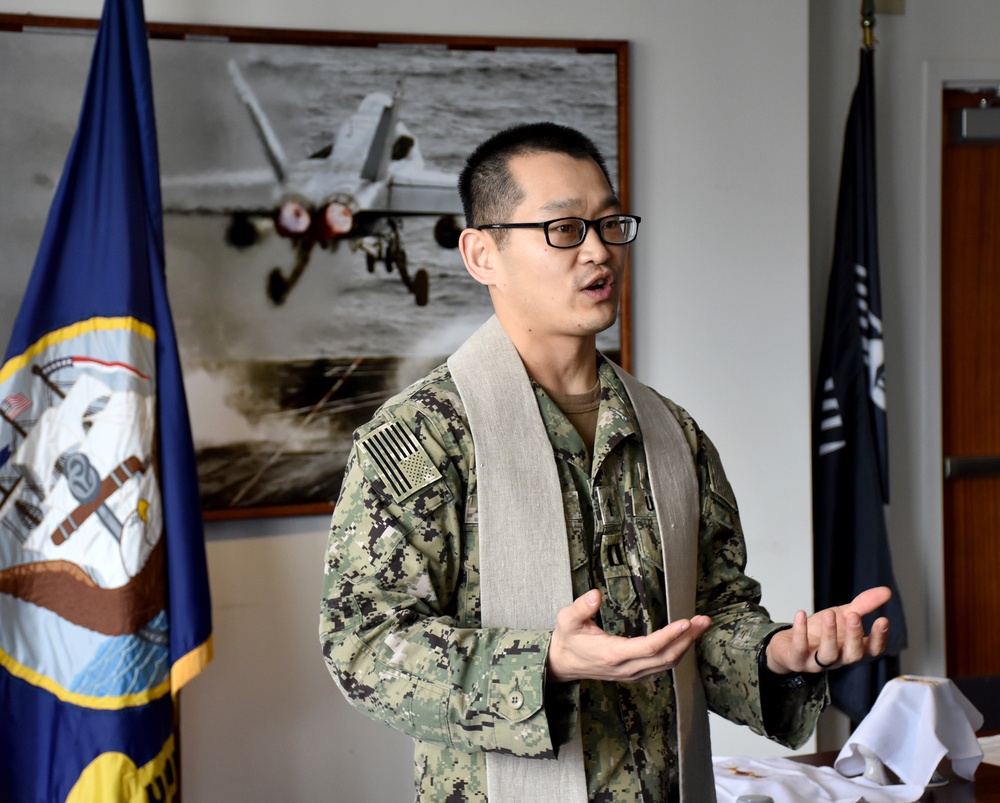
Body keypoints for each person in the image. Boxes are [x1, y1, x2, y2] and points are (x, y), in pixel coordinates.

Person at [318, 122, 891, 802]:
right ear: (481, 254)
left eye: (610, 223)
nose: (599, 251)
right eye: (564, 229)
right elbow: (363, 647)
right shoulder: (424, 439)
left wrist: (781, 655)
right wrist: (545, 663)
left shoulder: (670, 431)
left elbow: (710, 619)